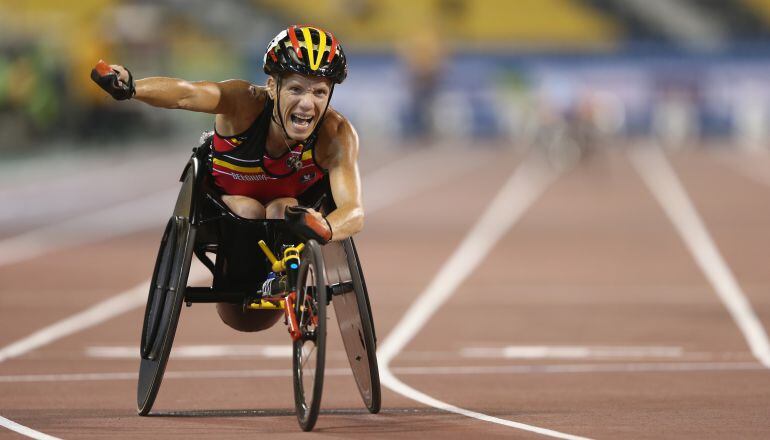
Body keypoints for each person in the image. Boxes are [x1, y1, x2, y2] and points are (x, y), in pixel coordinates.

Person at [91, 25, 363, 331]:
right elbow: (185, 94)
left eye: (319, 92)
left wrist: (325, 226)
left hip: (285, 219)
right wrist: (132, 87)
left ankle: (282, 283)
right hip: (225, 212)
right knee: (248, 208)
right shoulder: (242, 103)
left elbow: (353, 211)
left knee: (282, 206)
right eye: (296, 89)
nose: (307, 103)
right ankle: (244, 277)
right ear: (273, 87)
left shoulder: (336, 134)